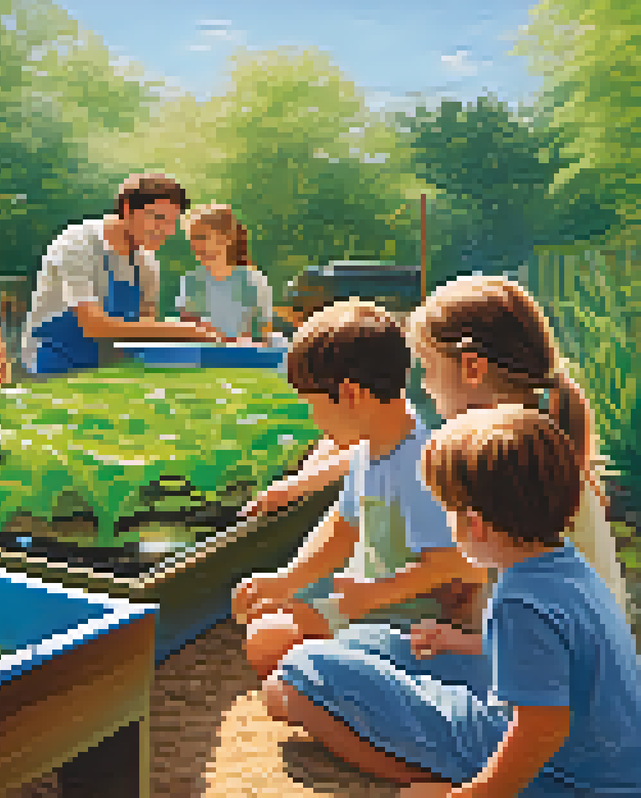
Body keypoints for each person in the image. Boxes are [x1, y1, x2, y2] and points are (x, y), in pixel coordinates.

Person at [265, 405, 641, 795]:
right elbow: (560, 657)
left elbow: (542, 729)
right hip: (602, 749)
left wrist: (475, 794)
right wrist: (459, 642)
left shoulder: (520, 601)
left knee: (297, 671)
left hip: (567, 774)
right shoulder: (562, 563)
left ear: (473, 523)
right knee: (361, 644)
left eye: (446, 509)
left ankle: (435, 777)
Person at [239, 275, 631, 623]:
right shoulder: (533, 436)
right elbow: (371, 457)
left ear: (472, 369)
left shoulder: (500, 454)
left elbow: (476, 574)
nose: (423, 385)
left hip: (544, 660)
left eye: (426, 367)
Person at [230, 299, 486, 679]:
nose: (315, 421)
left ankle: (358, 682)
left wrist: (373, 596)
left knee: (269, 642)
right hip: (366, 607)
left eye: (314, 406)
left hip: (405, 625)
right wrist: (287, 578)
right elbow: (343, 526)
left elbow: (460, 563)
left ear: (350, 395)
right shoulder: (369, 450)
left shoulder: (422, 464)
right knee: (262, 620)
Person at [20, 173, 219, 376]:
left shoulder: (146, 263)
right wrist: (181, 330)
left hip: (109, 369)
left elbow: (146, 328)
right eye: (158, 218)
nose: (166, 230)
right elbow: (93, 325)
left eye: (172, 222)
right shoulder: (76, 243)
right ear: (126, 209)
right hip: (52, 363)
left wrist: (192, 331)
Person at [176, 203, 275, 345]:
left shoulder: (253, 281)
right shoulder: (192, 281)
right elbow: (188, 331)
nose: (195, 245)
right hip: (204, 355)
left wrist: (229, 341)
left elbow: (262, 335)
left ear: (227, 238)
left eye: (202, 237)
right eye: (192, 239)